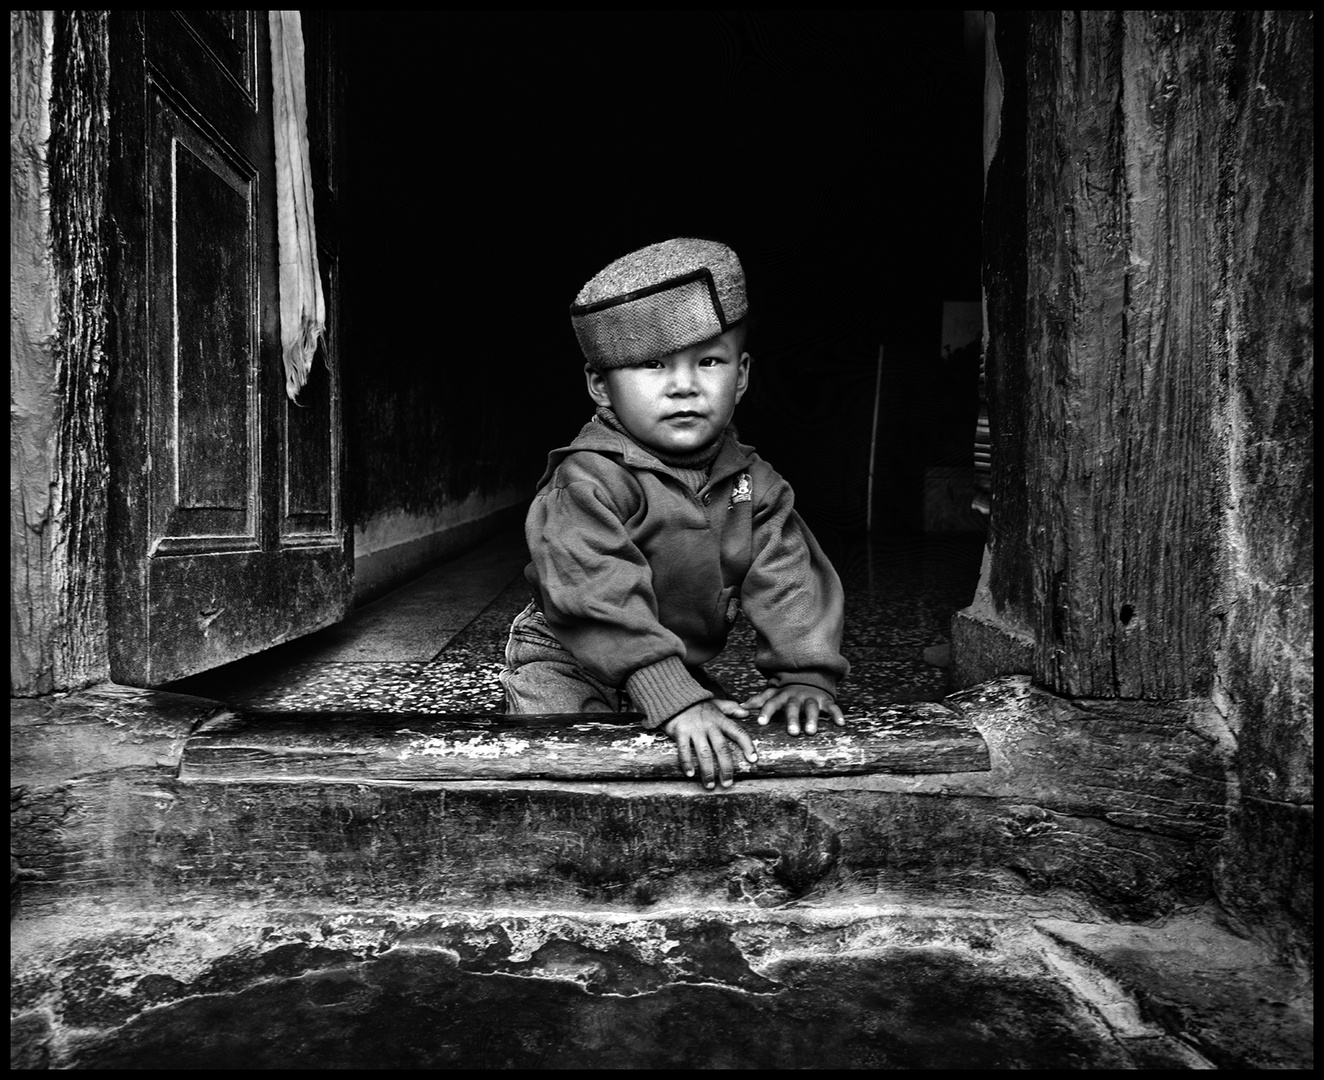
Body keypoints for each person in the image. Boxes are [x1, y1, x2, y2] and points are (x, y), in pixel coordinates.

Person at [501, 237, 849, 790]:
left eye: (709, 361)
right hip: (567, 656)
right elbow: (595, 596)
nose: (684, 385)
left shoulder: (754, 486)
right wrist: (671, 697)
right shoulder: (587, 481)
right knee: (565, 766)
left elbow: (791, 582)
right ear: (600, 386)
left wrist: (806, 674)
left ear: (741, 375)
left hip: (674, 661)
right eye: (651, 364)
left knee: (730, 755)